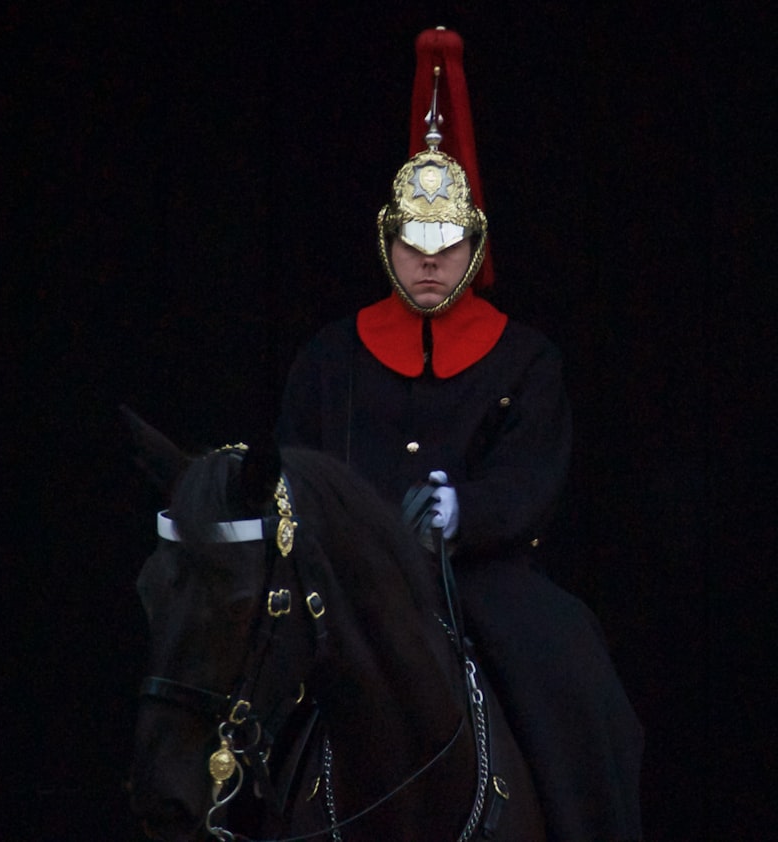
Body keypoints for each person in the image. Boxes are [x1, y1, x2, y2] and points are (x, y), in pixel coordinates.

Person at [277, 27, 644, 841]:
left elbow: (533, 478)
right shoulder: (330, 358)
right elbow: (294, 467)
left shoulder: (524, 357)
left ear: (475, 244)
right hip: (347, 582)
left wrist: (463, 514)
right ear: (387, 241)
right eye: (414, 244)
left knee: (578, 682)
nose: (430, 264)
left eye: (449, 245)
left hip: (479, 574)